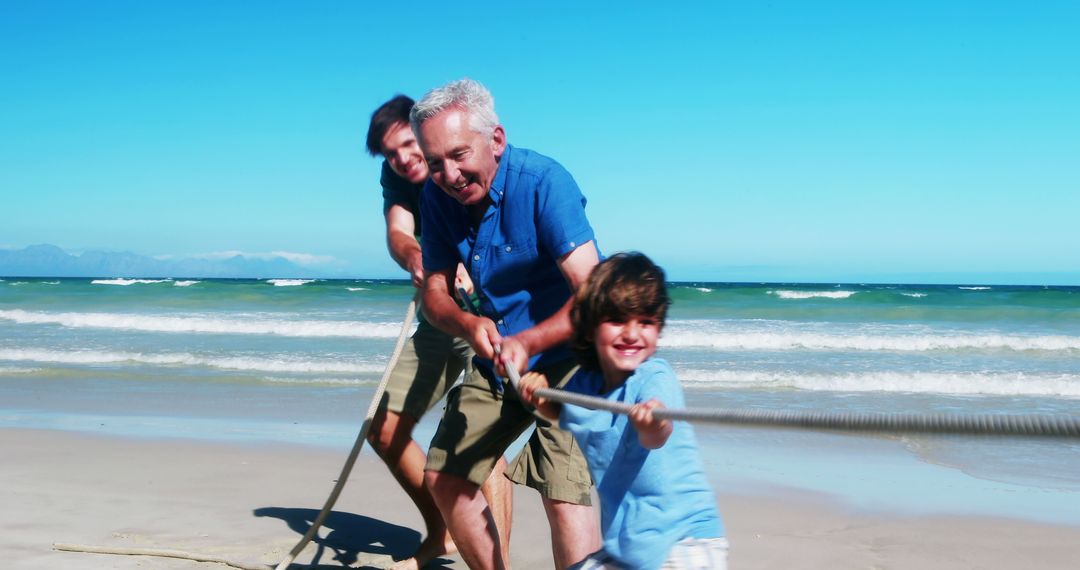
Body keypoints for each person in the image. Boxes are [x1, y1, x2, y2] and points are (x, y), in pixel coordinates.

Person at [410, 78, 601, 570]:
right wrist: (468, 325)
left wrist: (530, 341)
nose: (450, 175)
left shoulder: (544, 181)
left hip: (569, 361)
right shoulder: (437, 198)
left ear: (495, 139)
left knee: (564, 494)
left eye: (459, 155)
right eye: (435, 164)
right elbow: (433, 294)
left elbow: (594, 292)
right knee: (446, 477)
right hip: (497, 356)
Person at [364, 94, 511, 569]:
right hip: (438, 310)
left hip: (490, 313)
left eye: (410, 146)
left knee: (479, 436)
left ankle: (495, 564)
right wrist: (415, 256)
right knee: (383, 431)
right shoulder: (398, 177)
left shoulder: (466, 161)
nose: (404, 160)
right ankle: (441, 532)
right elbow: (398, 232)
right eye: (393, 154)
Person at [518, 252, 729, 570]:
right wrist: (538, 394)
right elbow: (564, 414)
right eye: (617, 320)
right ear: (589, 329)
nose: (632, 334)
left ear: (658, 330)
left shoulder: (655, 377)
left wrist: (651, 421)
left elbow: (659, 432)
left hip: (684, 540)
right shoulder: (584, 384)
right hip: (630, 545)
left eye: (645, 322)